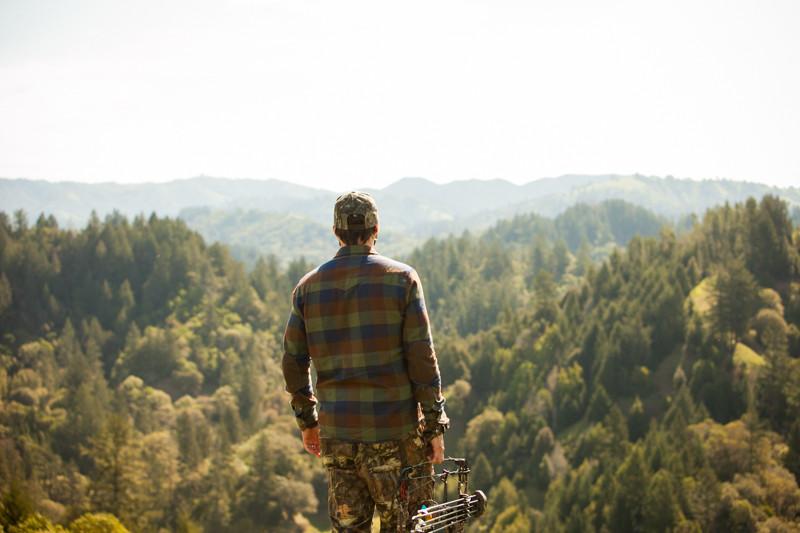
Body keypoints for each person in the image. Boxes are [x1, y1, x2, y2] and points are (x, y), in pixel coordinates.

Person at [282, 191, 449, 531]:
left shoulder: (307, 288)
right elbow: (422, 357)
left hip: (338, 437)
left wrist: (308, 421)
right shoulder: (402, 279)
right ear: (376, 228)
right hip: (397, 436)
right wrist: (433, 425)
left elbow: (293, 362)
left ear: (335, 232)